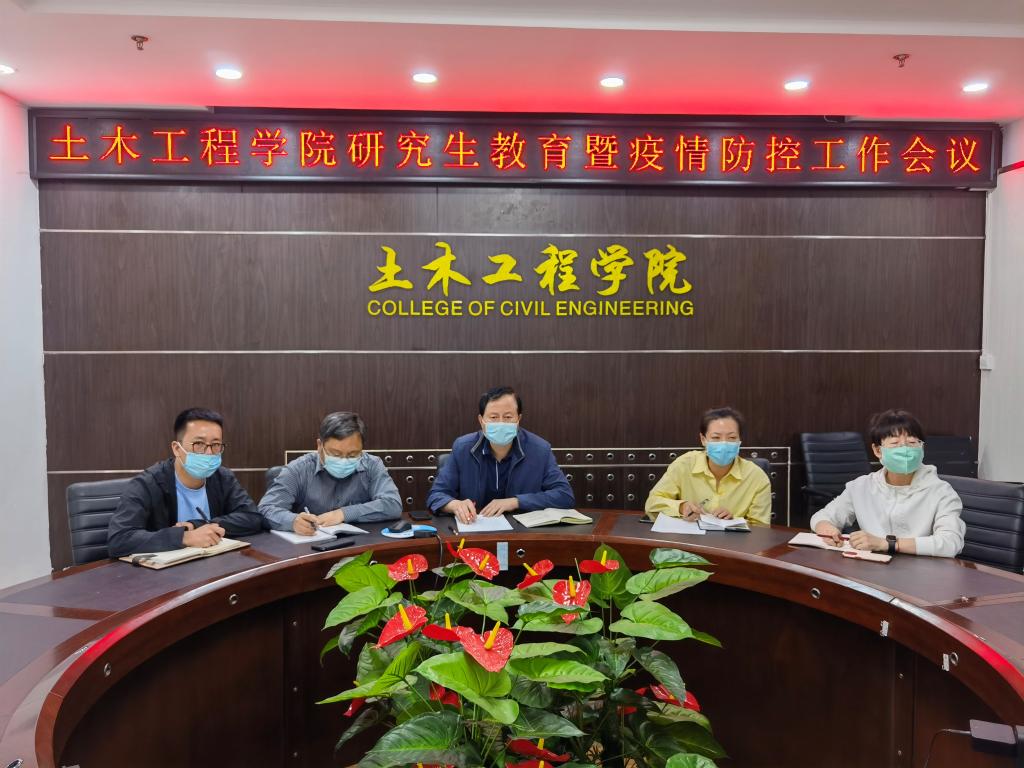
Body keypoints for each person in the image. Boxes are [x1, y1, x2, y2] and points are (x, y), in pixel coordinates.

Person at [107, 408, 262, 557]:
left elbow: (253, 517)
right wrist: (185, 537)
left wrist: (198, 525)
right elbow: (119, 539)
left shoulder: (222, 477)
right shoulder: (148, 483)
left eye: (215, 445)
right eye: (199, 444)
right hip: (164, 572)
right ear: (176, 448)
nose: (209, 453)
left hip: (214, 566)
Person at [811, 409, 965, 557]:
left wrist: (888, 544)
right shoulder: (861, 487)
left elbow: (951, 543)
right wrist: (828, 530)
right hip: (871, 567)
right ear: (877, 450)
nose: (905, 449)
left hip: (921, 570)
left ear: (922, 448)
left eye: (912, 442)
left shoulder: (941, 491)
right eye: (895, 443)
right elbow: (823, 517)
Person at [426, 386, 574, 524]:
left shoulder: (540, 450)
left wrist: (515, 502)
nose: (501, 423)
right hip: (474, 530)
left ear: (518, 419)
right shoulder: (463, 448)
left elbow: (564, 495)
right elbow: (436, 495)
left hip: (522, 533)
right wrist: (455, 505)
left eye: (508, 417)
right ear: (481, 421)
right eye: (494, 417)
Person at [259, 411, 401, 534]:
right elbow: (266, 509)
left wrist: (343, 513)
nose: (344, 460)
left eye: (352, 454)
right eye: (336, 454)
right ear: (319, 446)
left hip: (360, 544)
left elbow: (393, 504)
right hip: (311, 547)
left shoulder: (372, 465)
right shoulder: (299, 469)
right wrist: (293, 521)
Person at [644, 406, 771, 526]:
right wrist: (682, 507)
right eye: (716, 437)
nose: (724, 444)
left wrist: (734, 522)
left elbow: (761, 528)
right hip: (689, 539)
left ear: (739, 440)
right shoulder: (684, 464)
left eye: (732, 437)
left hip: (732, 541)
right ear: (703, 439)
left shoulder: (756, 477)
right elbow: (652, 504)